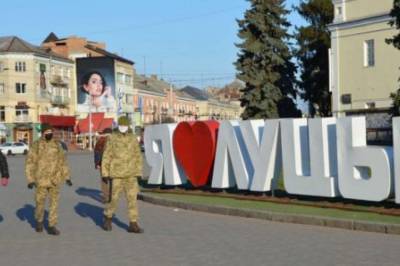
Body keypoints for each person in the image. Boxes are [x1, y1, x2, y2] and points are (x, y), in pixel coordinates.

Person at [25, 123, 72, 235]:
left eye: (50, 132)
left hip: (54, 179)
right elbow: (29, 163)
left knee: (54, 204)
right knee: (40, 203)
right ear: (42, 133)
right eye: (47, 133)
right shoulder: (36, 145)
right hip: (40, 180)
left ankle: (52, 225)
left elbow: (63, 162)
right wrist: (30, 179)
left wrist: (67, 177)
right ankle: (39, 221)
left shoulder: (57, 145)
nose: (49, 134)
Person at [101, 116, 143, 233]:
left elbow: (137, 156)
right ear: (118, 126)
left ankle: (133, 223)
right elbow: (107, 155)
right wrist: (105, 172)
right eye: (121, 126)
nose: (123, 128)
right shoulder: (112, 138)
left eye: (125, 126)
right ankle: (108, 218)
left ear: (128, 126)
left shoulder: (133, 138)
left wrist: (139, 172)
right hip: (117, 174)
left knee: (132, 200)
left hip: (131, 174)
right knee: (114, 199)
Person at [94, 128, 112, 203]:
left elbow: (97, 153)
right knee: (112, 180)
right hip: (112, 164)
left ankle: (106, 197)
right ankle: (110, 196)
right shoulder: (115, 141)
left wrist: (97, 163)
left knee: (104, 180)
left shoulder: (100, 141)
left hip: (103, 164)